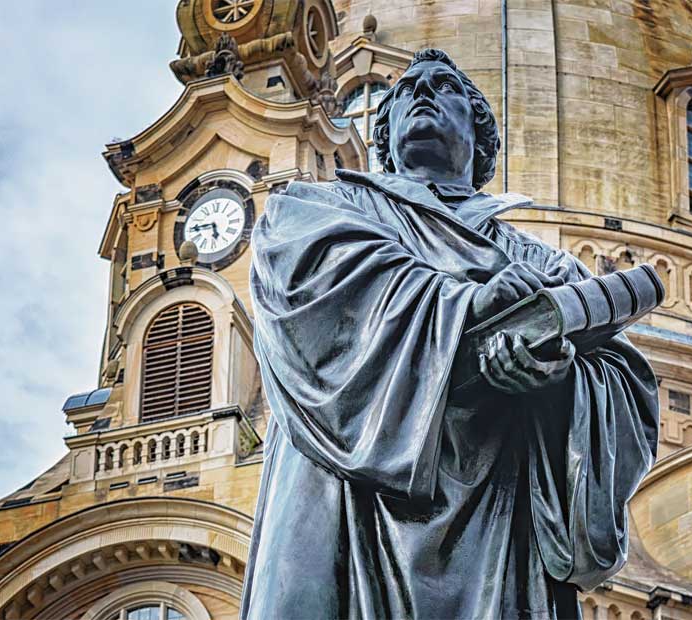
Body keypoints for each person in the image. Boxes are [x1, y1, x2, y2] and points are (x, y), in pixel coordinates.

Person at [242, 48, 659, 619]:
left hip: (499, 522)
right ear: (383, 138)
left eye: (444, 87)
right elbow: (302, 283)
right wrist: (465, 304)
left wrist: (554, 378)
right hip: (346, 506)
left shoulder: (543, 264)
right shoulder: (323, 208)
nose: (421, 92)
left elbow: (624, 386)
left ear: (479, 133)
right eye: (406, 88)